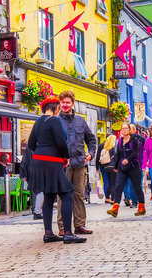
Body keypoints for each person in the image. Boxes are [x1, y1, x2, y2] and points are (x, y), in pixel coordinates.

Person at [27, 95, 86, 244]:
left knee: (48, 195)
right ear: (54, 109)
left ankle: (48, 233)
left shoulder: (38, 121)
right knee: (67, 194)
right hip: (52, 162)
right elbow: (61, 142)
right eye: (58, 108)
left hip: (38, 162)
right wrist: (65, 156)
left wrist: (42, 151)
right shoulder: (54, 120)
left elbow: (31, 144)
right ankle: (67, 233)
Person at [56, 90, 97, 236]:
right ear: (59, 103)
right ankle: (62, 227)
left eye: (68, 102)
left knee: (79, 195)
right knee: (62, 196)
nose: (65, 105)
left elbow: (91, 139)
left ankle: (79, 225)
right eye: (63, 102)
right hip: (62, 165)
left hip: (79, 163)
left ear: (73, 104)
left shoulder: (80, 120)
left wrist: (90, 154)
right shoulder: (55, 121)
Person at [106, 123, 147, 217]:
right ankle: (115, 209)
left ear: (129, 130)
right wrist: (116, 167)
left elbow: (135, 153)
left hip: (133, 167)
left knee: (137, 187)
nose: (124, 130)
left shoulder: (135, 140)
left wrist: (128, 159)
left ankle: (141, 207)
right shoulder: (120, 141)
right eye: (122, 129)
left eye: (126, 128)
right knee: (118, 186)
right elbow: (118, 155)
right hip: (122, 168)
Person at [96, 135, 117, 204]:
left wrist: (97, 167)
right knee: (113, 183)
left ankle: (107, 197)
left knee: (107, 182)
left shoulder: (103, 147)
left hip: (105, 167)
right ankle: (113, 199)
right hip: (113, 166)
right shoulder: (114, 147)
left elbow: (97, 157)